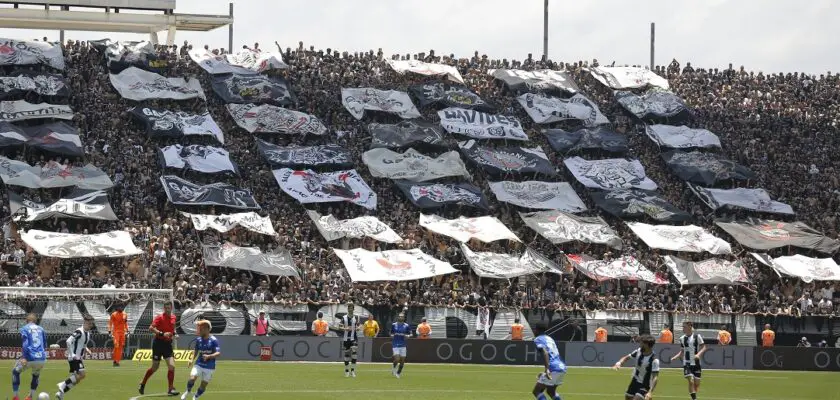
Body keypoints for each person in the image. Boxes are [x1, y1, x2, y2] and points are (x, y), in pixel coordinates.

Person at [139, 302, 179, 396]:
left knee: (172, 366)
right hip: (158, 344)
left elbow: (173, 329)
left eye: (169, 308)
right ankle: (143, 383)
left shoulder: (174, 317)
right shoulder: (160, 317)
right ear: (164, 308)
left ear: (171, 308)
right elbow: (151, 328)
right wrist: (162, 333)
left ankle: (170, 389)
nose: (167, 309)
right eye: (166, 308)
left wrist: (175, 334)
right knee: (155, 367)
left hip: (168, 345)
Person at [55, 315, 94, 400]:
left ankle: (60, 393)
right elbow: (68, 341)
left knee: (76, 380)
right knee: (82, 374)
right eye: (89, 323)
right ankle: (63, 384)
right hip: (74, 357)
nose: (90, 325)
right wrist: (72, 353)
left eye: (91, 324)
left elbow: (83, 344)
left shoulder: (87, 333)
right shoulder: (79, 331)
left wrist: (87, 350)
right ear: (85, 322)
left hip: (78, 357)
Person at [181, 320, 220, 400]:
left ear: (207, 329)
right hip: (199, 364)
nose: (199, 330)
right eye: (199, 328)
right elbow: (196, 350)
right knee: (192, 379)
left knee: (203, 385)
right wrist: (191, 360)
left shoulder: (214, 340)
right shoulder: (198, 340)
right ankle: (188, 391)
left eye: (201, 329)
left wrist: (209, 356)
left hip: (210, 367)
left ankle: (196, 396)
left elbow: (218, 353)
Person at [613, 334, 660, 400]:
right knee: (627, 397)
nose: (639, 345)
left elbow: (655, 377)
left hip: (645, 385)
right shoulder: (638, 351)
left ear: (646, 345)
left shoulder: (654, 360)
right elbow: (626, 358)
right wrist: (619, 363)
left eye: (641, 343)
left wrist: (650, 392)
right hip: (635, 381)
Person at [13, 314, 46, 400]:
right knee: (36, 375)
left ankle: (16, 397)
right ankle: (30, 397)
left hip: (30, 357)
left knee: (15, 372)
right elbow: (45, 344)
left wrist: (24, 357)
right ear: (35, 321)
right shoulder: (41, 329)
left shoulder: (25, 328)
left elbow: (25, 343)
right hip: (41, 358)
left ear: (26, 321)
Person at [670, 322, 706, 400]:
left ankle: (693, 395)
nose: (683, 328)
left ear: (690, 327)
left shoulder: (697, 336)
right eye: (683, 327)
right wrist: (675, 357)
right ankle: (694, 399)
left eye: (684, 327)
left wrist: (698, 355)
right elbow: (682, 351)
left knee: (696, 384)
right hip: (687, 363)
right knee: (691, 380)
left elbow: (704, 347)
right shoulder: (682, 338)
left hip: (697, 363)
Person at [532, 322, 566, 400]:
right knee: (551, 391)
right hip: (561, 366)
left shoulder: (538, 339)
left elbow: (545, 352)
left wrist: (547, 369)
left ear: (537, 330)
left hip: (553, 367)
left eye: (534, 330)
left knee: (536, 391)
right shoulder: (550, 338)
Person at [339, 304, 360, 377]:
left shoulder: (356, 317)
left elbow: (358, 326)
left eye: (351, 308)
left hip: (354, 338)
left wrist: (358, 328)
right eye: (349, 308)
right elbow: (340, 326)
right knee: (347, 354)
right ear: (348, 309)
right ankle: (347, 370)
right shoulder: (344, 317)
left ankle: (353, 371)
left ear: (353, 309)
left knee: (354, 351)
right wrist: (345, 329)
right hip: (346, 338)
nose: (350, 309)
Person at [390, 313, 411, 378]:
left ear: (404, 318)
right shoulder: (394, 325)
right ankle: (393, 368)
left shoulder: (406, 325)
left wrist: (407, 336)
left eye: (402, 317)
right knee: (397, 358)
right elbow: (391, 333)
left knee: (402, 360)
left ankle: (398, 373)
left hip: (403, 344)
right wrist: (392, 335)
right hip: (395, 344)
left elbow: (410, 334)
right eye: (399, 316)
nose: (400, 317)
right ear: (398, 317)